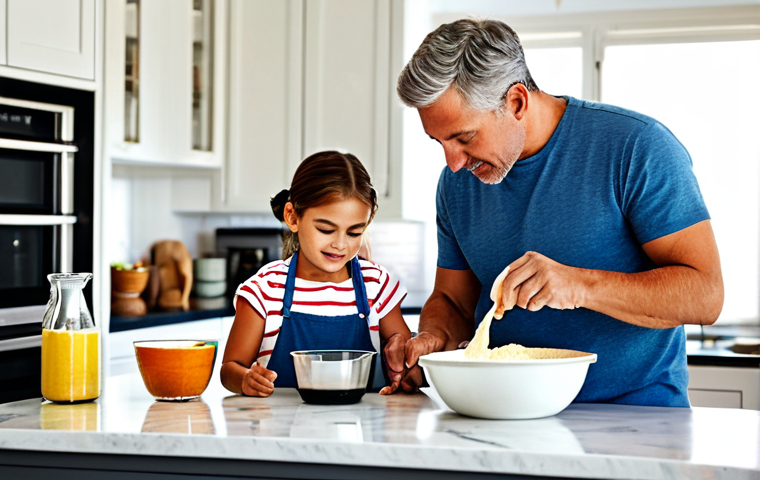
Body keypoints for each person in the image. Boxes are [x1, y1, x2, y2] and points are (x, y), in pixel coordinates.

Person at [395, 19, 724, 407]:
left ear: (516, 102)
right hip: (503, 414)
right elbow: (452, 302)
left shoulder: (637, 148)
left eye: (464, 137)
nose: (452, 163)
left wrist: (579, 285)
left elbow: (706, 295)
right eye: (439, 142)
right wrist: (432, 338)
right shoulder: (457, 184)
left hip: (636, 418)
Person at [220, 151, 411, 397]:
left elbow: (404, 350)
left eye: (354, 233)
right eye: (326, 229)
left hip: (363, 428)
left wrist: (401, 356)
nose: (340, 244)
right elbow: (229, 369)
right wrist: (246, 379)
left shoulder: (376, 284)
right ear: (292, 216)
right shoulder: (265, 290)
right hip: (282, 430)